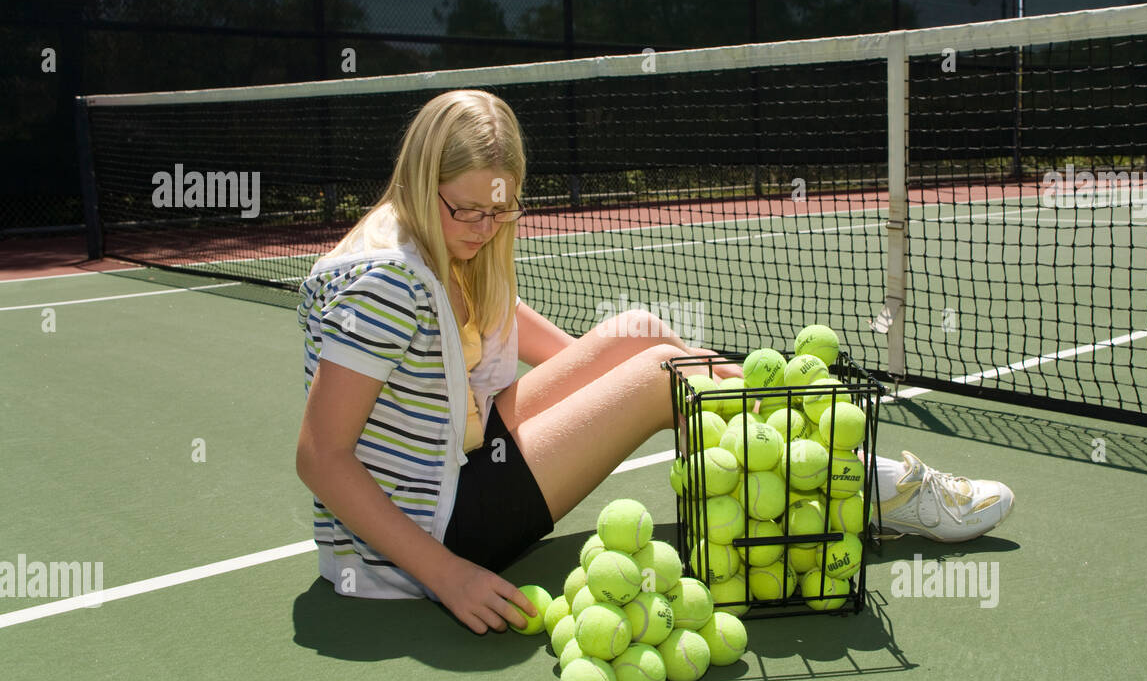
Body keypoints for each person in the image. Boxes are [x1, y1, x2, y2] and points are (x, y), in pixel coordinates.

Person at [295, 89, 1014, 636]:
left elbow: (491, 314)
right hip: (435, 527)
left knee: (642, 337)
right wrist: (446, 575)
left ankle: (808, 457)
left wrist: (604, 380)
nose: (485, 231)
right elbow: (321, 457)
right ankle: (865, 488)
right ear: (425, 181)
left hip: (459, 454)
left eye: (501, 212)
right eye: (468, 213)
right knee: (658, 377)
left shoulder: (415, 229)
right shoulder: (387, 279)